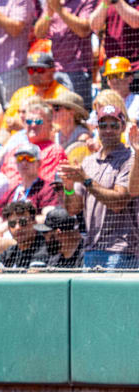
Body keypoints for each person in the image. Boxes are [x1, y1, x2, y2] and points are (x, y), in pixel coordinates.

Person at [61, 105, 138, 269]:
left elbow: (118, 203)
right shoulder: (88, 161)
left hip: (122, 251)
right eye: (103, 125)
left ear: (123, 127)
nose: (108, 130)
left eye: (114, 125)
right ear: (97, 127)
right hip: (91, 249)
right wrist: (68, 188)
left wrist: (86, 180)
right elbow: (73, 209)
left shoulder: (130, 160)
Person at [1, 101, 67, 188]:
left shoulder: (54, 151)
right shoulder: (16, 150)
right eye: (28, 121)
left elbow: (46, 186)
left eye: (38, 121)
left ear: (50, 125)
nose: (33, 125)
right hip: (7, 197)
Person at [2, 53, 69, 133]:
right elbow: (5, 126)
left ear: (52, 71)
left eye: (40, 70)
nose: (35, 74)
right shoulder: (20, 93)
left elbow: (61, 128)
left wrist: (24, 126)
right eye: (31, 70)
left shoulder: (62, 94)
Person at [90, 0, 139, 74]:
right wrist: (105, 4)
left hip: (135, 66)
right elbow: (94, 25)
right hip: (112, 66)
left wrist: (116, 1)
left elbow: (136, 22)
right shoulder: (106, 2)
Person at [0, 201, 50, 269]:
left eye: (22, 222)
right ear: (8, 227)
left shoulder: (43, 249)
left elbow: (33, 276)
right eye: (12, 224)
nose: (17, 228)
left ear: (34, 223)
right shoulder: (11, 251)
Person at [102, 56, 139, 123]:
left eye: (119, 75)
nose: (114, 80)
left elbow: (131, 123)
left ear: (130, 78)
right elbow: (89, 125)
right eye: (111, 76)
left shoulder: (137, 101)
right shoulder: (102, 102)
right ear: (107, 82)